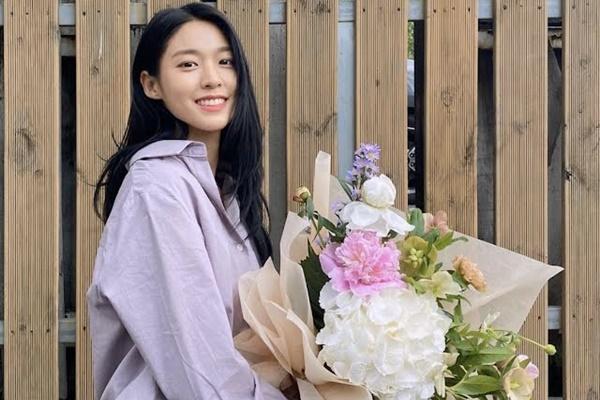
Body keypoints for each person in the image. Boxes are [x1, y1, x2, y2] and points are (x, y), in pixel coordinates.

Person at [87, 4, 288, 399]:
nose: (212, 79)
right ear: (151, 85)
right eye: (188, 65)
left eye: (225, 61)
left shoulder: (228, 192)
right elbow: (200, 368)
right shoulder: (157, 189)